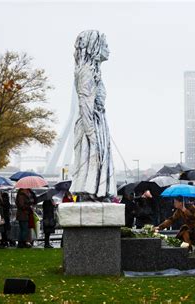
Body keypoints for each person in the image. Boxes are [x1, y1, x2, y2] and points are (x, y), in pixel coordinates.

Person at [71, 30, 116, 199]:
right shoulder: (87, 72)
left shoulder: (94, 71)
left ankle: (96, 191)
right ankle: (92, 192)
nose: (109, 50)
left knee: (94, 161)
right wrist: (93, 136)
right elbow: (85, 105)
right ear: (95, 47)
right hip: (91, 125)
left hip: (97, 123)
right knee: (91, 159)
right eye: (105, 45)